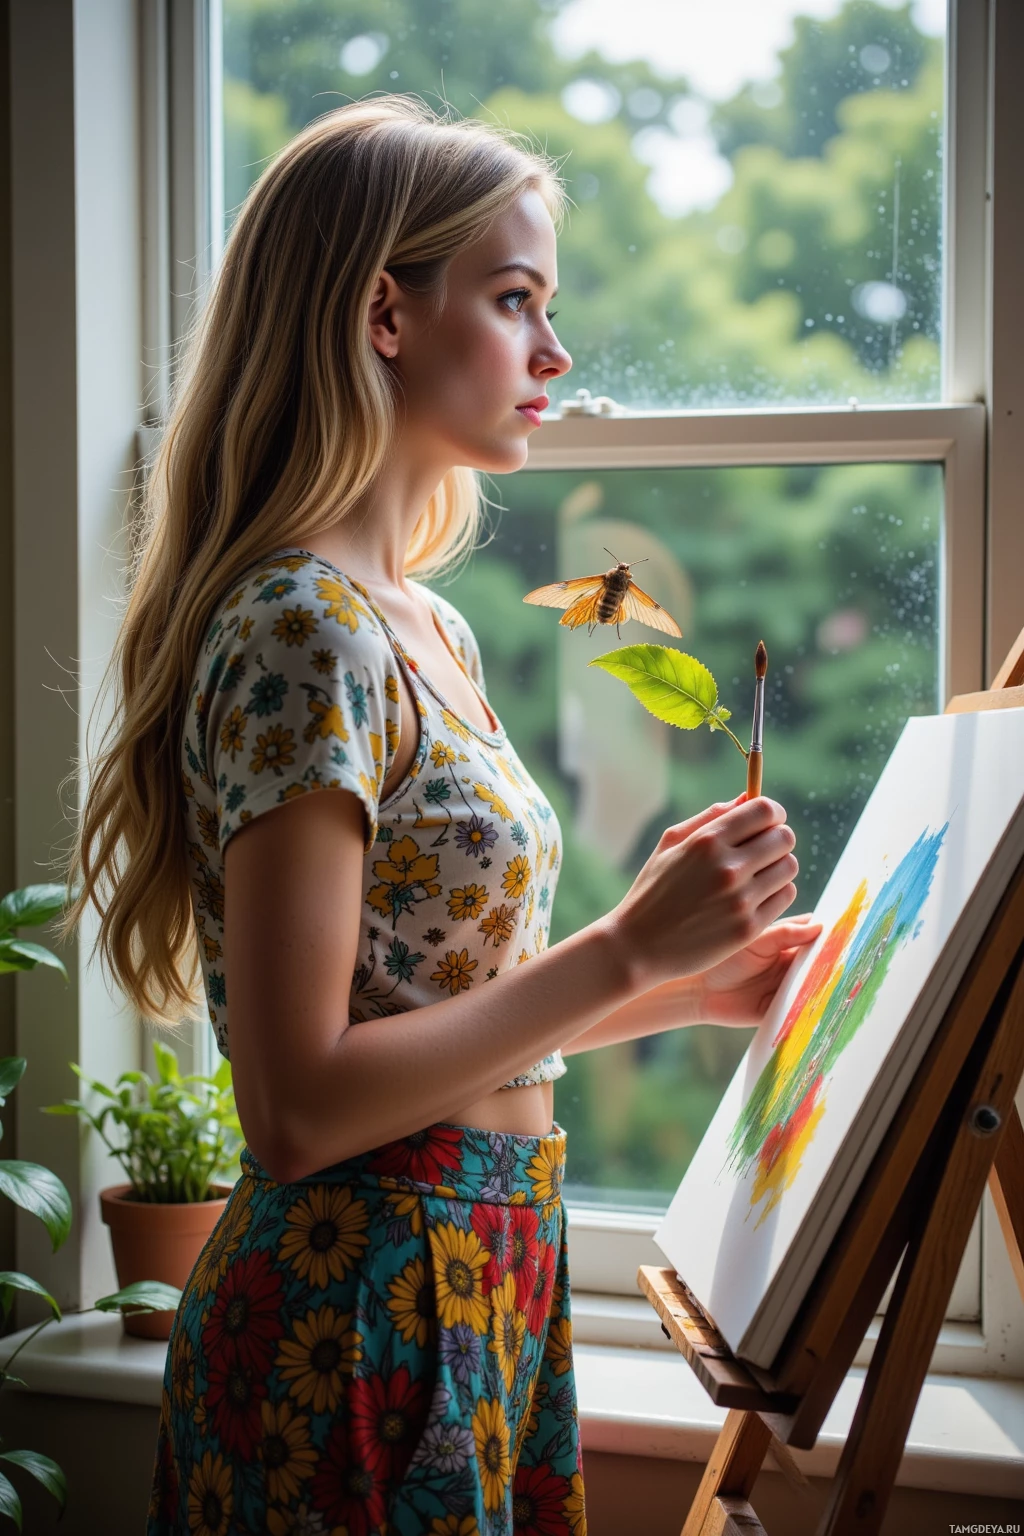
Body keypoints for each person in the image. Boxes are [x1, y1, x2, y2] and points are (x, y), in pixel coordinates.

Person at [65, 96, 819, 1536]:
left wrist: (671, 984)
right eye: (516, 300)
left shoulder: (428, 629)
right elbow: (298, 1111)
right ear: (383, 314)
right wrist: (620, 950)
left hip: (483, 1280)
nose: (556, 352)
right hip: (353, 1316)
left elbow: (430, 1017)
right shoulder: (303, 629)